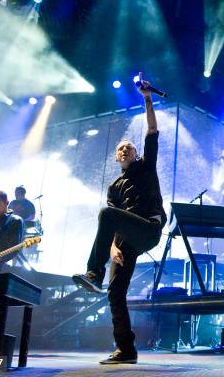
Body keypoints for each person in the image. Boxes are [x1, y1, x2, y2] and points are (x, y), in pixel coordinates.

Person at [72, 73, 167, 365]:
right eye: (120, 148)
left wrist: (148, 98)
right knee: (115, 293)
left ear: (136, 153)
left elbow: (152, 129)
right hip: (125, 240)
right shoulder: (114, 186)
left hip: (149, 228)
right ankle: (126, 349)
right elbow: (112, 223)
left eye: (129, 146)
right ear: (116, 157)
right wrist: (113, 248)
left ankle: (92, 273)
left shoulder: (145, 167)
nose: (124, 148)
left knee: (106, 213)